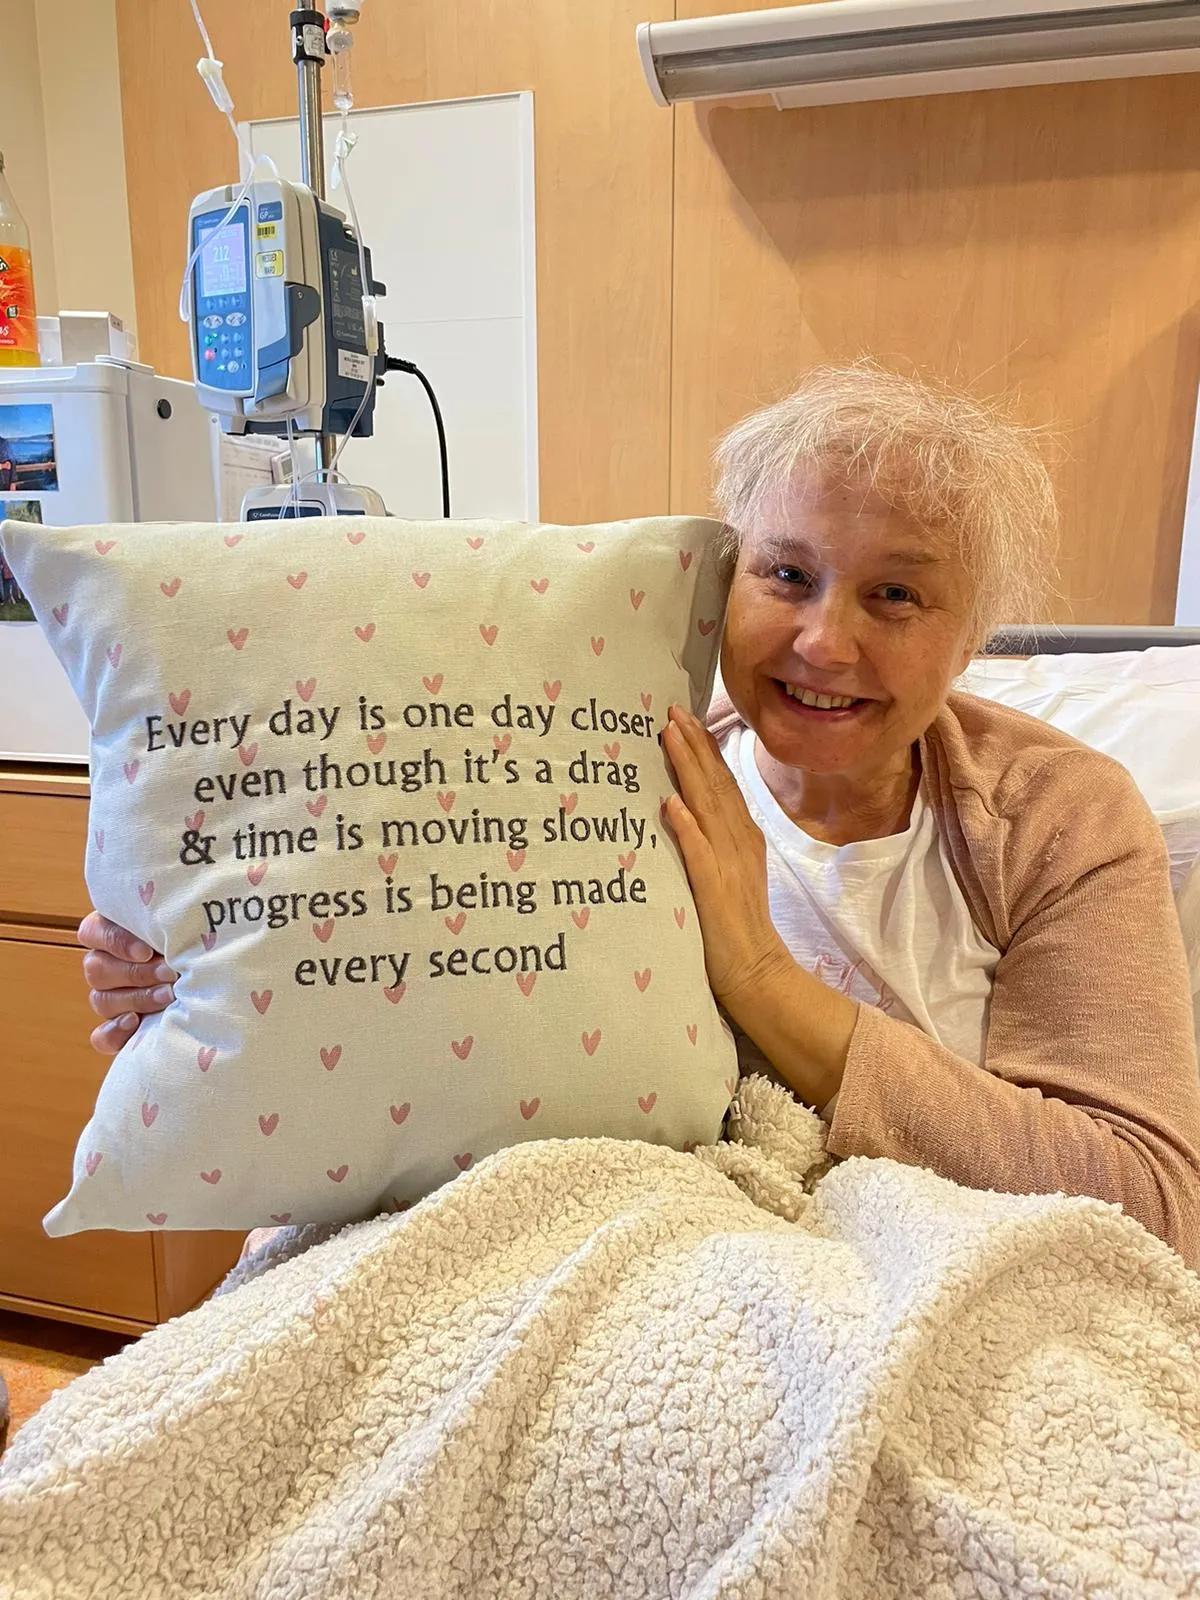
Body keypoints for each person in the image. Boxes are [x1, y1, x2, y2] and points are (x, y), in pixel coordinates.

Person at [79, 359, 1200, 1265]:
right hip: (623, 1253)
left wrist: (763, 978)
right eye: (787, 575)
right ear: (721, 586)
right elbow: (432, 1008)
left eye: (895, 593)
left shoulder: (1060, 819)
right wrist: (200, 970)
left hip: (902, 1274)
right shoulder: (598, 775)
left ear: (973, 634)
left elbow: (1142, 1198)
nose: (824, 641)